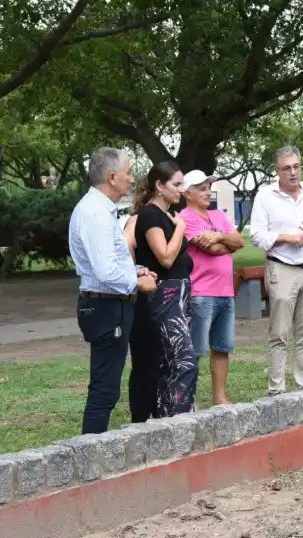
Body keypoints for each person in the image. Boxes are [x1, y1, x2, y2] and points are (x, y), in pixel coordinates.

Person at [68, 147, 157, 435]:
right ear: (112, 176)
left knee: (106, 388)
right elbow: (105, 272)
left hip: (110, 304)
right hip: (106, 307)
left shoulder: (101, 209)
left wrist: (135, 270)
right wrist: (137, 282)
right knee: (104, 390)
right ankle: (90, 459)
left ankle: (94, 456)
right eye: (129, 172)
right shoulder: (94, 213)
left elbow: (106, 264)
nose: (133, 179)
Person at [249, 145, 303, 396]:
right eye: (287, 168)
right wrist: (286, 238)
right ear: (278, 171)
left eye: (296, 166)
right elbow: (256, 234)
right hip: (281, 269)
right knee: (280, 334)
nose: (293, 172)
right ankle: (277, 392)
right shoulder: (266, 196)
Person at [130, 161, 198, 420]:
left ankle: (166, 416)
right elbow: (166, 258)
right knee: (184, 362)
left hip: (181, 294)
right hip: (165, 296)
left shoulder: (169, 216)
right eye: (176, 184)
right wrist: (181, 228)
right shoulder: (149, 215)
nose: (182, 189)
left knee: (172, 362)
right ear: (159, 186)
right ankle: (177, 420)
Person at [179, 169, 245, 405]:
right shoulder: (185, 218)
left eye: (209, 187)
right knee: (195, 351)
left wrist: (217, 237)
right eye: (202, 188)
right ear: (188, 192)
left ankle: (219, 397)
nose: (208, 192)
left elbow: (240, 241)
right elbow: (212, 249)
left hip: (225, 292)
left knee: (222, 347)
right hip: (200, 293)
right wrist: (225, 241)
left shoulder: (218, 215)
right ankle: (189, 400)